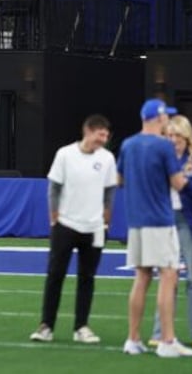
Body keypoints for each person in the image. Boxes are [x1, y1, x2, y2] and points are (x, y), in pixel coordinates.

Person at [117, 98, 192, 358]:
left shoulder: (128, 144)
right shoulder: (163, 146)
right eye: (166, 117)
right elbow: (177, 183)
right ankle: (167, 340)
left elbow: (119, 180)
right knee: (168, 275)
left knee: (141, 277)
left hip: (136, 220)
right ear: (159, 118)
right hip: (160, 220)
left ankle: (133, 339)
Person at [29, 114, 117, 345]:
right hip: (65, 225)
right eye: (101, 134)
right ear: (88, 131)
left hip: (95, 227)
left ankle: (81, 326)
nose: (104, 139)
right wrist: (54, 217)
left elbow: (109, 192)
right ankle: (46, 325)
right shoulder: (65, 154)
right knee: (55, 275)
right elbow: (54, 187)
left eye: (106, 136)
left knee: (87, 277)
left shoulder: (107, 158)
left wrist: (106, 219)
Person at [148, 115, 192, 350]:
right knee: (167, 277)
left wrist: (185, 186)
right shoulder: (160, 158)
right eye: (169, 135)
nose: (173, 140)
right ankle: (160, 331)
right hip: (166, 221)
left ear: (187, 136)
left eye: (178, 135)